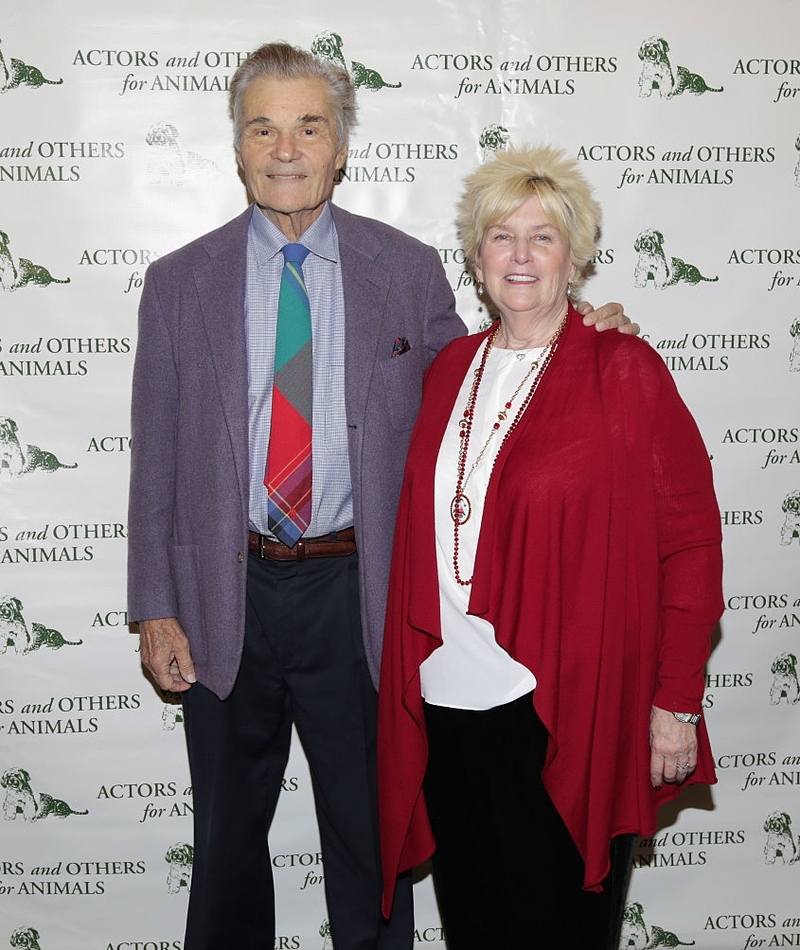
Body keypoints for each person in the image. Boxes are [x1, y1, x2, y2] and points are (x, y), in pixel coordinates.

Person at [127, 42, 636, 950]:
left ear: (343, 147)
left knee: (374, 847)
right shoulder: (176, 285)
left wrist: (584, 332)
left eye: (309, 126)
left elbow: (485, 367)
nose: (286, 148)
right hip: (221, 594)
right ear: (238, 147)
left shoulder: (404, 271)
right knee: (228, 847)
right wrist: (155, 608)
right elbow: (155, 457)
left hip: (358, 596)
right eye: (264, 128)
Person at [377, 145, 724, 950]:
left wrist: (675, 703)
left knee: (563, 929)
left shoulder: (624, 368)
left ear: (576, 255)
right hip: (448, 702)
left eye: (544, 236)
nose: (522, 256)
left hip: (570, 709)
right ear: (475, 257)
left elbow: (692, 544)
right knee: (476, 925)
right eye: (502, 236)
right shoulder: (449, 368)